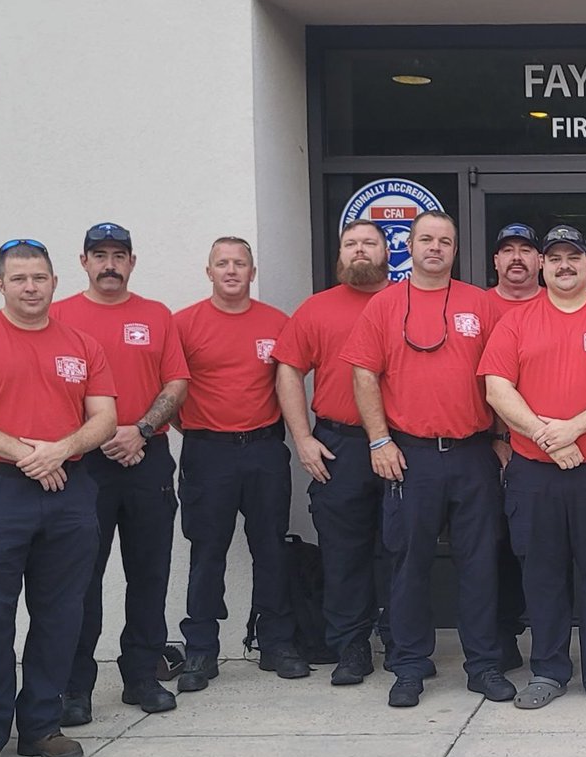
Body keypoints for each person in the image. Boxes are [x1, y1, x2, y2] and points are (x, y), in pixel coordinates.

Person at [0, 238, 117, 757]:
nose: (30, 287)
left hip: (69, 489)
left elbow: (104, 416)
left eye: (39, 277)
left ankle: (42, 725)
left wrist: (59, 450)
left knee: (61, 613)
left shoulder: (82, 343)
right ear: (0, 285)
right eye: (19, 279)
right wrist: (29, 454)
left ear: (55, 282)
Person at [342, 211, 513, 708]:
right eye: (426, 240)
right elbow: (364, 375)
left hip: (472, 454)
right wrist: (378, 440)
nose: (435, 248)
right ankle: (409, 665)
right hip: (409, 456)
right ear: (409, 247)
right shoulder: (382, 306)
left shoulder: (480, 304)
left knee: (479, 564)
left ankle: (483, 665)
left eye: (445, 241)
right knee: (408, 563)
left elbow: (501, 376)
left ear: (455, 250)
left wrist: (502, 436)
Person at [481, 223, 586, 711]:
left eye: (573, 256)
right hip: (534, 471)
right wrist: (545, 436)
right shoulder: (514, 323)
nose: (563, 265)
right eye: (554, 257)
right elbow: (497, 389)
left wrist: (571, 429)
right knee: (542, 573)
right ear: (541, 266)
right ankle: (549, 670)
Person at [52, 222, 189, 724]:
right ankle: (74, 688)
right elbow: (49, 388)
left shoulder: (156, 316)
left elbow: (177, 382)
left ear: (132, 262)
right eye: (100, 255)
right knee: (79, 579)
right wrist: (96, 436)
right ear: (83, 261)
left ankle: (141, 677)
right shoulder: (58, 315)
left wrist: (142, 431)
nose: (109, 264)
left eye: (119, 255)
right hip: (82, 465)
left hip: (146, 456)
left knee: (149, 572)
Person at [174, 236, 309, 692]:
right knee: (207, 552)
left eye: (240, 264)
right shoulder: (184, 324)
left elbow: (289, 384)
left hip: (265, 450)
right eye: (222, 263)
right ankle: (200, 652)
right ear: (208, 271)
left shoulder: (277, 323)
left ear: (253, 272)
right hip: (208, 452)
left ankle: (277, 644)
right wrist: (197, 429)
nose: (231, 271)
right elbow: (171, 390)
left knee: (270, 548)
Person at [275, 220, 391, 685]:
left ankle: (403, 643)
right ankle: (352, 647)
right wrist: (302, 437)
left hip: (401, 444)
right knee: (344, 552)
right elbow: (287, 371)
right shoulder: (316, 310)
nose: (359, 250)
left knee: (401, 548)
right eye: (350, 244)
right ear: (339, 254)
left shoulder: (403, 302)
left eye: (369, 243)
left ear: (387, 252)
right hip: (339, 445)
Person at [485, 223, 543, 670]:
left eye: (526, 250)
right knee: (493, 547)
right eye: (508, 250)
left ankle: (546, 637)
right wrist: (495, 436)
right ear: (496, 261)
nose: (517, 258)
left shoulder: (557, 303)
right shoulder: (476, 306)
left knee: (543, 549)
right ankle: (502, 636)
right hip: (484, 449)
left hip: (544, 450)